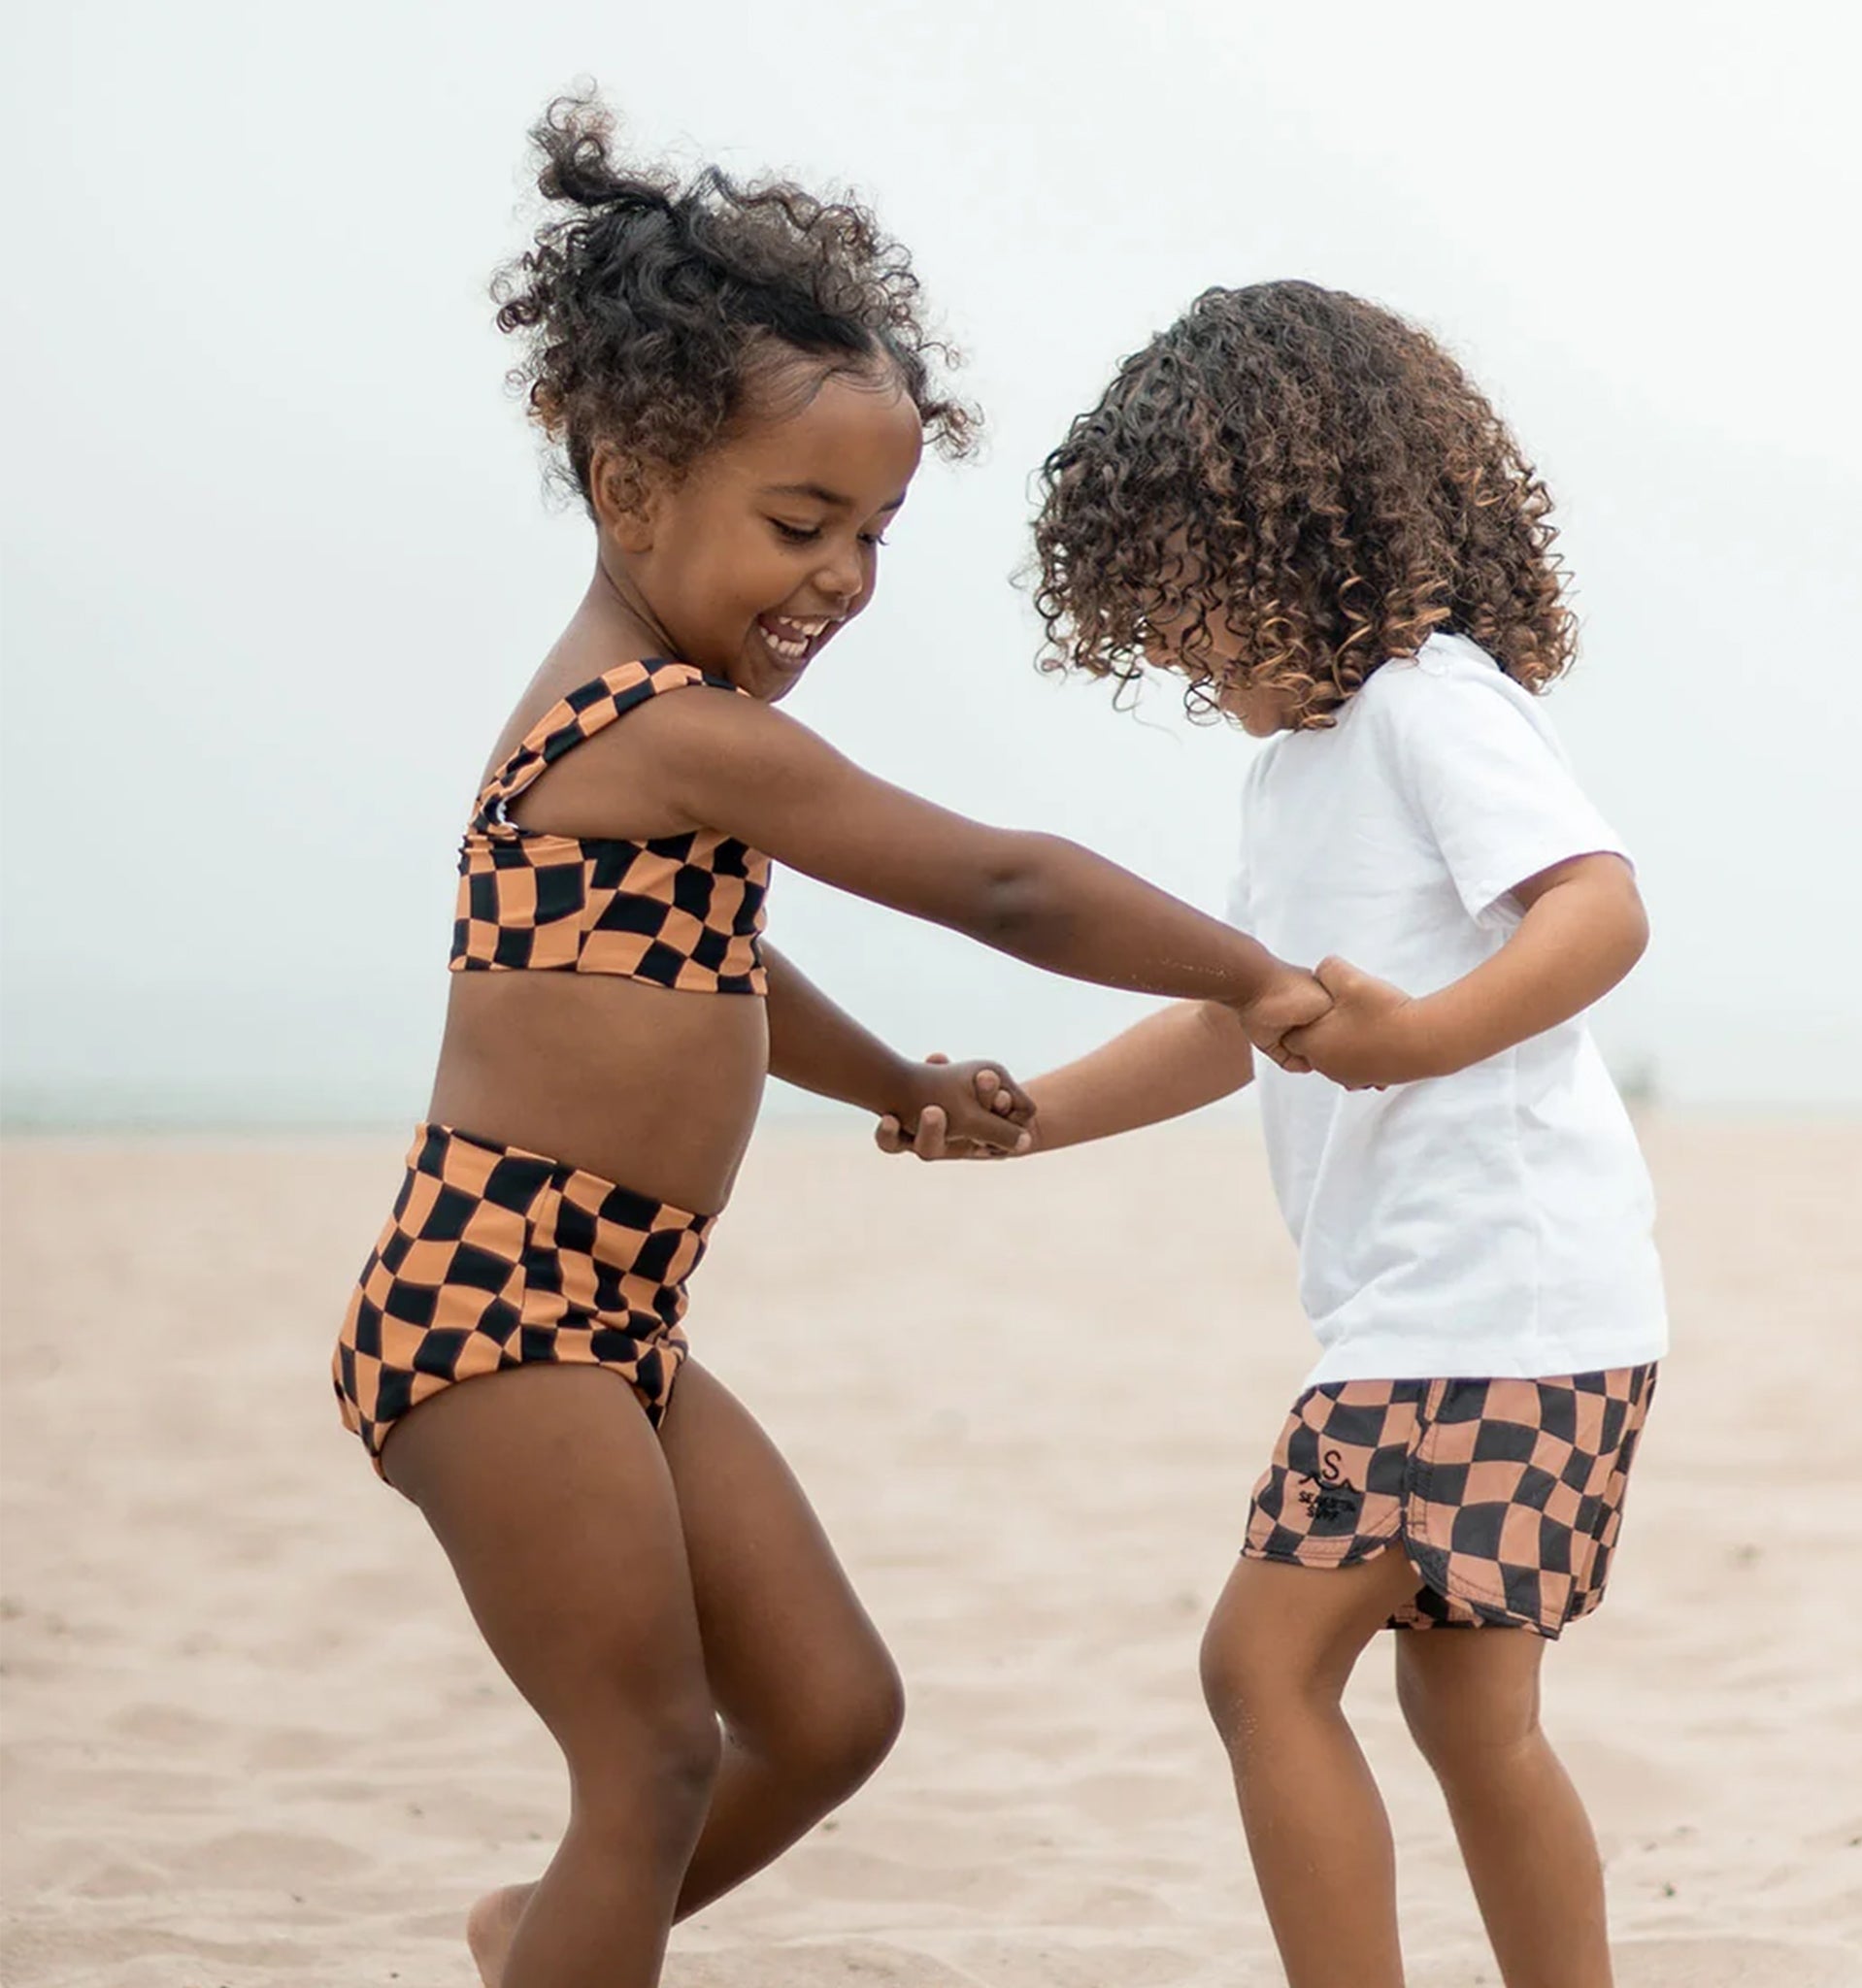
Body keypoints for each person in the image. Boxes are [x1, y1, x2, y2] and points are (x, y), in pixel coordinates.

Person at [330, 103, 1333, 1988]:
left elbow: (724, 977)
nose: (842, 579)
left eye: (871, 532)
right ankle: (565, 1930)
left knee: (833, 1708)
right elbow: (1003, 882)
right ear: (628, 481)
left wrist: (903, 1089)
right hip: (491, 1304)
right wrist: (1252, 971)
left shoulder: (674, 761)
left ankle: (534, 1943)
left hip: (612, 1315)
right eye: (799, 524)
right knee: (643, 1759)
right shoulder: (651, 723)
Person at [881, 282, 1665, 1988]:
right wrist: (1034, 1120)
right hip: (1532, 1320)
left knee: (1263, 1668)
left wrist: (1418, 1040)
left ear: (1311, 544)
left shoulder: (1425, 704)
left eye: (1192, 605)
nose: (1175, 649)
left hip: (1478, 1311)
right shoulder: (1295, 773)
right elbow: (1243, 1026)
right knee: (1471, 1718)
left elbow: (1599, 912)